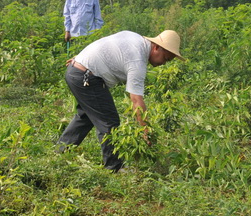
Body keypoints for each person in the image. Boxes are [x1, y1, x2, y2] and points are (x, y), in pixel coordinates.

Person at [57, 30, 184, 172]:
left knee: (85, 117)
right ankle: (115, 168)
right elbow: (136, 101)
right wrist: (145, 130)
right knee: (109, 122)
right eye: (165, 58)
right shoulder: (138, 59)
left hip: (77, 71)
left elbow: (105, 45)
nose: (164, 63)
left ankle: (60, 153)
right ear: (156, 48)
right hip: (86, 76)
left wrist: (82, 58)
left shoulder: (135, 38)